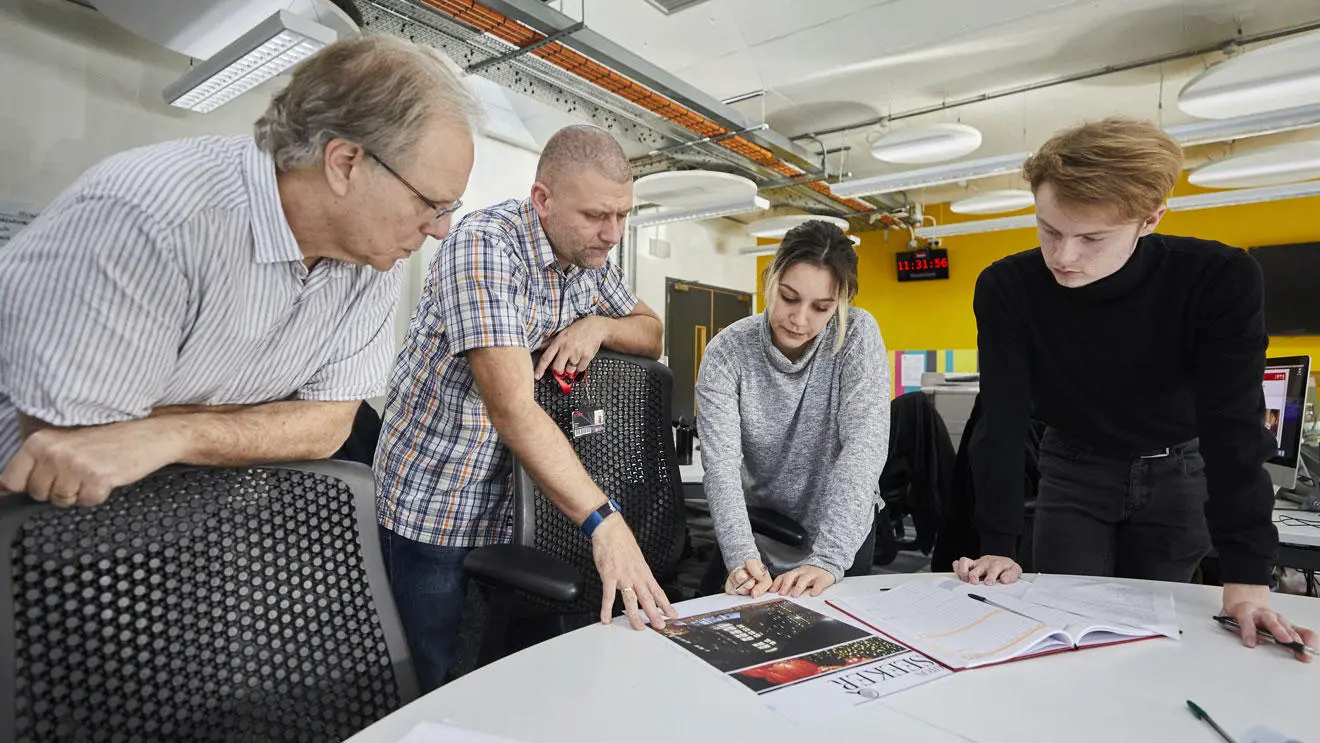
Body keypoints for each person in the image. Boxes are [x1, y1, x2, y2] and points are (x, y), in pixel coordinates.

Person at [0, 34, 478, 507]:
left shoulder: (373, 258)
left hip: (185, 519)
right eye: (431, 204)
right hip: (38, 518)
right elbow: (74, 447)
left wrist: (174, 432)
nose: (439, 230)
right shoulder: (155, 220)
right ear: (346, 162)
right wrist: (266, 419)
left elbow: (329, 424)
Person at [955, 116, 1316, 662]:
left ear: (1150, 220)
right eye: (1049, 229)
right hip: (1073, 470)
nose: (1064, 256)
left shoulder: (1219, 278)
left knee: (1156, 635)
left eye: (1092, 237)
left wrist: (1247, 580)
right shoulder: (1008, 286)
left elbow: (1234, 429)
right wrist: (998, 546)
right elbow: (1001, 421)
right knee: (1061, 625)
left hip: (1179, 473)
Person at [374, 124, 675, 691]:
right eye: (595, 216)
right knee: (428, 673)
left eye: (622, 216)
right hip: (434, 496)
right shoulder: (485, 245)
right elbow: (511, 408)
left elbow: (652, 332)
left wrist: (599, 325)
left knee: (508, 670)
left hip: (518, 502)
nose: (612, 234)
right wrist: (603, 520)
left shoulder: (589, 260)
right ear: (543, 200)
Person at [695, 220, 890, 600]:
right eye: (788, 297)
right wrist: (739, 557)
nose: (800, 320)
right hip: (758, 533)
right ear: (771, 278)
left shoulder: (856, 336)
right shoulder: (727, 352)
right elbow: (721, 467)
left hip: (840, 534)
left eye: (821, 307)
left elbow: (863, 450)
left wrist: (830, 558)